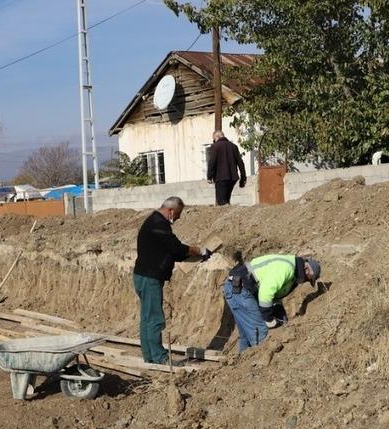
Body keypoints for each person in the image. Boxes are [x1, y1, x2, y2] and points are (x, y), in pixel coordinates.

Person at [134, 197, 211, 365]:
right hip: (150, 278)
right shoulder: (158, 224)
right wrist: (200, 250)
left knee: (147, 318)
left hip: (143, 276)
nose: (178, 218)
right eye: (178, 214)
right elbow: (176, 247)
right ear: (170, 210)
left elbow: (173, 252)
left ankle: (150, 357)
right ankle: (160, 358)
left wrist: (193, 257)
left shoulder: (154, 222)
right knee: (154, 318)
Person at [223, 252, 321, 352]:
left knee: (246, 337)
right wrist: (269, 319)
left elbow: (275, 294)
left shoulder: (290, 266)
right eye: (308, 279)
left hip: (236, 288)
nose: (305, 281)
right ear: (307, 271)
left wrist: (279, 311)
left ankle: (241, 363)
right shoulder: (287, 268)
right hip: (240, 289)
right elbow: (265, 294)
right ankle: (258, 365)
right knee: (261, 332)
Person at [207, 130, 247, 206]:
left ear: (217, 137)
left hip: (220, 178)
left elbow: (211, 163)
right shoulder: (233, 146)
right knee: (226, 199)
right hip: (232, 178)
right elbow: (240, 163)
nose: (214, 141)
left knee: (221, 202)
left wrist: (209, 177)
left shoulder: (215, 147)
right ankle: (229, 214)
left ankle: (227, 215)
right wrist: (243, 178)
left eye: (214, 140)